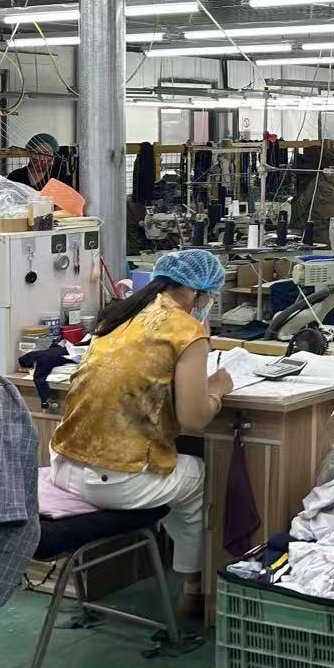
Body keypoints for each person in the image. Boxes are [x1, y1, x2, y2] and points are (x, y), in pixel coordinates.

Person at [48, 248, 232, 622]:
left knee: (171, 469)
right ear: (197, 292)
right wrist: (217, 388)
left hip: (62, 465)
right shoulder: (186, 331)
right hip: (111, 482)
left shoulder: (120, 315)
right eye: (210, 297)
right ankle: (194, 589)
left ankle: (177, 574)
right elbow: (194, 419)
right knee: (197, 475)